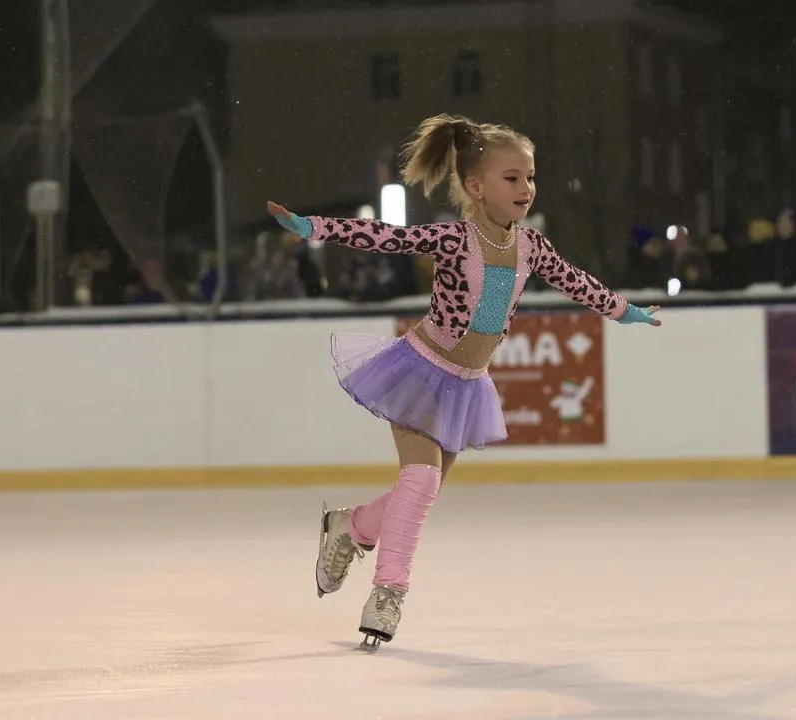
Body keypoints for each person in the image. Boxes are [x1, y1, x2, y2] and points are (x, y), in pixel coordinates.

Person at [266, 113, 661, 652]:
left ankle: (351, 527)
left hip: (468, 383)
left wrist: (624, 310)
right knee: (422, 483)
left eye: (529, 177)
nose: (526, 188)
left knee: (419, 490)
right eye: (511, 177)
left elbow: (576, 281)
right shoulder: (455, 239)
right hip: (420, 373)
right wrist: (316, 227)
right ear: (476, 187)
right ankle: (389, 591)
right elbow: (386, 237)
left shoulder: (532, 247)